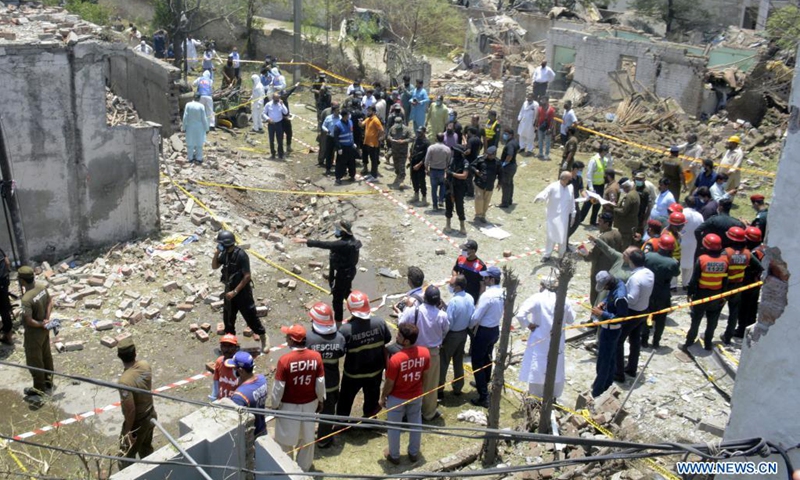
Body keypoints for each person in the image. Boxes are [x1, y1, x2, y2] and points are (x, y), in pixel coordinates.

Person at [271, 324, 324, 471]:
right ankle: (303, 470)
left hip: (288, 406)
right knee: (307, 439)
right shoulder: (316, 357)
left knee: (285, 440)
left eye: (287, 336)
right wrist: (320, 400)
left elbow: (278, 387)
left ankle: (286, 470)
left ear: (292, 340)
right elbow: (320, 383)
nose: (285, 338)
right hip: (310, 403)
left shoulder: (284, 360)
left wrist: (274, 406)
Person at [516, 276, 575, 399]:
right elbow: (571, 319)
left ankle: (535, 400)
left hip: (538, 341)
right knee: (555, 370)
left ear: (542, 286)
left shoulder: (537, 298)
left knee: (537, 370)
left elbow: (520, 315)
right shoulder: (564, 299)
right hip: (557, 342)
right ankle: (552, 398)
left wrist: (528, 325)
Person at [380, 322, 430, 465]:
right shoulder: (425, 353)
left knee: (394, 427)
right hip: (416, 395)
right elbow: (425, 376)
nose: (397, 336)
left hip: (397, 398)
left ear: (406, 341)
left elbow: (389, 383)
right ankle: (414, 453)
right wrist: (423, 392)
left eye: (400, 335)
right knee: (415, 424)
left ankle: (394, 455)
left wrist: (382, 397)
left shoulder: (396, 359)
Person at [294, 220, 362, 323]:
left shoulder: (342, 244)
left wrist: (305, 241)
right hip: (350, 272)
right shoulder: (353, 240)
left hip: (343, 275)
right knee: (347, 292)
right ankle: (357, 312)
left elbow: (324, 244)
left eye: (338, 229)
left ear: (343, 232)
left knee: (337, 299)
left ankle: (338, 322)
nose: (336, 231)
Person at [337, 291, 392, 419]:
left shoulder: (345, 330)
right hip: (375, 372)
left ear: (350, 309)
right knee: (372, 398)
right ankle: (370, 420)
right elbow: (387, 339)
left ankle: (340, 422)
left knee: (345, 400)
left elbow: (340, 351)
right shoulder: (380, 323)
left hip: (353, 374)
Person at [398, 285, 449, 421]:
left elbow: (401, 324)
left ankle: (407, 413)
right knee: (431, 385)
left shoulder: (413, 311)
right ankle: (429, 413)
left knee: (411, 382)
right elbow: (445, 331)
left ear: (424, 298)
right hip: (432, 353)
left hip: (415, 352)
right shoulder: (442, 316)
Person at [212, 230, 268, 352]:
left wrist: (235, 292)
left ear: (227, 244)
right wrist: (217, 253)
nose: (219, 245)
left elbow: (247, 276)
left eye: (221, 244)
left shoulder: (241, 255)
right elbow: (215, 266)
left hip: (242, 293)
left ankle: (263, 337)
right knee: (228, 319)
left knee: (250, 316)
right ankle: (231, 343)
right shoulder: (225, 254)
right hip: (229, 291)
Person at [681, 233, 729, 352]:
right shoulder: (725, 260)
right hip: (717, 295)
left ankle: (689, 343)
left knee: (696, 320)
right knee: (712, 321)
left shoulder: (702, 259)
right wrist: (724, 295)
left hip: (701, 295)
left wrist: (690, 293)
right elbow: (725, 280)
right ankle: (708, 344)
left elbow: (694, 279)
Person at [116, 337, 157, 470]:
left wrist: (127, 432)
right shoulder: (145, 365)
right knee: (146, 450)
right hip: (151, 416)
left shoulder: (124, 381)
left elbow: (130, 411)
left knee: (125, 458)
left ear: (119, 356)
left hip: (137, 424)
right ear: (135, 353)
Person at [469, 266, 504, 408]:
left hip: (483, 331)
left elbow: (476, 317)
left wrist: (470, 325)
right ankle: (483, 382)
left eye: (486, 278)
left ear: (492, 279)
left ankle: (483, 396)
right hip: (494, 329)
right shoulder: (503, 293)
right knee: (487, 358)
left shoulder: (487, 296)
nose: (484, 280)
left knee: (477, 361)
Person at [615, 249, 653, 380]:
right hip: (643, 310)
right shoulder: (649, 273)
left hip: (632, 312)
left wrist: (620, 297)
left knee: (618, 341)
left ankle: (618, 373)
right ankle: (632, 368)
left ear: (631, 261)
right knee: (635, 341)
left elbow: (632, 298)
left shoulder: (635, 278)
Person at [18, 267, 54, 403]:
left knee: (34, 360)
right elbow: (50, 301)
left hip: (34, 333)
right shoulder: (41, 288)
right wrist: (46, 319)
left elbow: (29, 320)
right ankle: (48, 380)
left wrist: (41, 324)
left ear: (22, 280)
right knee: (46, 356)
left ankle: (39, 389)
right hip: (45, 330)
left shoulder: (26, 299)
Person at [720, 227, 761, 345]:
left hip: (733, 286)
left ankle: (710, 337)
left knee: (719, 311)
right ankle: (732, 335)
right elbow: (760, 268)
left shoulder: (729, 252)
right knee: (739, 311)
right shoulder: (754, 252)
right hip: (744, 285)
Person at [591, 271, 628, 398]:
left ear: (608, 283)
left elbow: (621, 317)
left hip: (612, 330)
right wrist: (604, 303)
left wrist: (602, 314)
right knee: (611, 359)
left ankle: (598, 390)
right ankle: (607, 384)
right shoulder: (616, 284)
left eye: (605, 287)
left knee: (604, 361)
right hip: (608, 328)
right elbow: (610, 297)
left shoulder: (620, 296)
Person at [641, 235, 679, 349]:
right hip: (663, 293)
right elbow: (676, 274)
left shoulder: (648, 256)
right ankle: (656, 342)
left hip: (649, 291)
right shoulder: (673, 263)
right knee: (661, 319)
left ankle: (644, 340)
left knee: (647, 315)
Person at [440, 274, 474, 398]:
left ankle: (439, 389)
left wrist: (442, 338)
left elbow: (448, 322)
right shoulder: (470, 298)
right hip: (463, 334)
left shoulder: (454, 301)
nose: (450, 286)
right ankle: (458, 387)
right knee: (458, 361)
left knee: (443, 361)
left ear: (458, 287)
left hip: (452, 335)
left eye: (452, 284)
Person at [534, 171, 576, 262]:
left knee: (563, 238)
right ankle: (547, 254)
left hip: (564, 218)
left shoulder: (570, 188)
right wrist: (540, 197)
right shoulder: (553, 186)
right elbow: (545, 193)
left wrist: (573, 214)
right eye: (569, 179)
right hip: (553, 216)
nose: (571, 180)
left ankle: (561, 255)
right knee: (551, 236)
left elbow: (572, 201)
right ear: (564, 179)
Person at [734, 226, 765, 339]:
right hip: (756, 284)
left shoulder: (753, 253)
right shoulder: (762, 248)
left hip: (748, 283)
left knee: (743, 308)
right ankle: (749, 328)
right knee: (752, 308)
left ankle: (741, 330)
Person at [583, 146, 612, 226]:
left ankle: (592, 221)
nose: (606, 153)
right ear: (602, 151)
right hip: (593, 186)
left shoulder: (605, 160)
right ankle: (580, 219)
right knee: (588, 203)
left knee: (597, 204)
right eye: (606, 151)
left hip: (600, 186)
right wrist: (591, 188)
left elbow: (609, 169)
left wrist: (610, 159)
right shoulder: (594, 160)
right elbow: (589, 174)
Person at [471, 146, 502, 224]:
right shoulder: (480, 159)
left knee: (486, 201)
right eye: (488, 154)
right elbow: (471, 166)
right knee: (479, 199)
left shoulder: (497, 162)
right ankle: (478, 215)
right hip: (479, 183)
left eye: (491, 155)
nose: (489, 156)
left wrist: (499, 183)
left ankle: (483, 216)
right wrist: (476, 170)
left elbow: (501, 173)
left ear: (494, 154)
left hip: (489, 185)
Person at [451, 239, 487, 305]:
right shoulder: (460, 259)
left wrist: (479, 302)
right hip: (459, 293)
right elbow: (455, 269)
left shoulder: (481, 266)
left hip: (472, 297)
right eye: (463, 249)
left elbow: (482, 286)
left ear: (473, 251)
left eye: (465, 250)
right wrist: (455, 277)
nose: (463, 251)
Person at [680, 196, 705, 288]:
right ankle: (686, 283)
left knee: (677, 261)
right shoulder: (699, 215)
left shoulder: (682, 212)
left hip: (681, 239)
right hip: (693, 242)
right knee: (689, 263)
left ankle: (673, 285)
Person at [445, 144, 470, 234]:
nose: (454, 153)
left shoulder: (465, 162)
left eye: (456, 151)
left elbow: (464, 176)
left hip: (459, 187)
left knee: (459, 206)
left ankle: (462, 226)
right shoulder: (451, 160)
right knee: (448, 205)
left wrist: (452, 174)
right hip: (450, 185)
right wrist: (446, 175)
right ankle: (448, 224)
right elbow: (446, 170)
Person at [425, 133, 453, 210]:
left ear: (436, 139)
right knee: (443, 186)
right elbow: (449, 161)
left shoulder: (431, 148)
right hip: (442, 170)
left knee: (434, 188)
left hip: (433, 170)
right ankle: (441, 200)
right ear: (443, 139)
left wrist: (426, 169)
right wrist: (446, 169)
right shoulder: (447, 149)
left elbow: (426, 160)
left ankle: (434, 205)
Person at [209, 334, 239, 401]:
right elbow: (216, 382)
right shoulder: (219, 361)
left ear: (236, 348)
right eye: (224, 346)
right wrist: (213, 398)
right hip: (221, 402)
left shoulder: (240, 365)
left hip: (235, 403)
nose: (226, 349)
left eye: (230, 346)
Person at [182, 93, 210, 164]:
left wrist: (183, 127)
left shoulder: (188, 105)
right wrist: (206, 128)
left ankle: (190, 158)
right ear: (199, 98)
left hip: (190, 126)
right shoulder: (201, 106)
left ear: (193, 97)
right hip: (199, 127)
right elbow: (204, 118)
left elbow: (185, 117)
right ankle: (199, 158)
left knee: (190, 143)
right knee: (199, 143)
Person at [332, 110, 358, 185]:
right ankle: (338, 177)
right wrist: (339, 148)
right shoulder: (338, 125)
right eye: (347, 115)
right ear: (343, 116)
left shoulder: (350, 122)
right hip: (343, 147)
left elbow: (351, 133)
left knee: (352, 162)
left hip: (350, 146)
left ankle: (352, 175)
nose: (348, 116)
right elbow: (336, 138)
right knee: (341, 163)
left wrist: (353, 143)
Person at [613, 179, 640, 249]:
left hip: (626, 226)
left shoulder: (629, 196)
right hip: (632, 224)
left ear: (625, 187)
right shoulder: (635, 193)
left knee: (624, 245)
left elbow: (623, 211)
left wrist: (614, 209)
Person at [388, 117, 413, 189]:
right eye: (396, 123)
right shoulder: (392, 128)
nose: (397, 125)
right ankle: (398, 174)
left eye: (398, 123)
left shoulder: (407, 129)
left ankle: (401, 181)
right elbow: (389, 135)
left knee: (402, 166)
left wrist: (404, 141)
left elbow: (412, 138)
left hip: (403, 151)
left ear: (401, 123)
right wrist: (391, 139)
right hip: (394, 150)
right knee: (396, 166)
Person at [262, 93, 289, 160]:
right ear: (273, 98)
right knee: (271, 140)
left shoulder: (280, 104)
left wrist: (282, 105)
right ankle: (273, 154)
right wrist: (268, 119)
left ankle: (280, 154)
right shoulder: (268, 105)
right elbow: (263, 114)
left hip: (279, 124)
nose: (277, 100)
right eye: (276, 98)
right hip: (271, 124)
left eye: (278, 98)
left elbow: (286, 112)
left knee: (280, 139)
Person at [360, 105, 384, 178]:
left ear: (373, 112)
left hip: (373, 144)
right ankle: (367, 170)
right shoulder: (368, 119)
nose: (368, 112)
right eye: (368, 110)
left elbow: (381, 130)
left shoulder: (375, 120)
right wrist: (360, 122)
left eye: (369, 111)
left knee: (373, 160)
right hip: (366, 142)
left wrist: (379, 138)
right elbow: (361, 125)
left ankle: (374, 175)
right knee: (365, 156)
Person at [498, 127, 519, 208]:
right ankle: (509, 200)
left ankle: (505, 203)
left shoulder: (510, 144)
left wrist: (505, 163)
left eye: (506, 134)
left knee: (506, 184)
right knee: (510, 184)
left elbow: (510, 155)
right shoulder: (514, 142)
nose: (504, 135)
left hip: (508, 166)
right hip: (513, 166)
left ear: (511, 135)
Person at [410, 126, 430, 204]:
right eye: (418, 132)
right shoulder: (416, 140)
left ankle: (424, 198)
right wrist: (410, 154)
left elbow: (427, 156)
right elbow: (412, 148)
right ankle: (416, 194)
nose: (418, 134)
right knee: (414, 179)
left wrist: (420, 164)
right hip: (413, 162)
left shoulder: (426, 142)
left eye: (420, 132)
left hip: (421, 164)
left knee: (421, 181)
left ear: (424, 132)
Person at [278, 83, 300, 154]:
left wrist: (295, 86)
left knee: (289, 133)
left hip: (287, 119)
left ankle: (288, 146)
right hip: (281, 120)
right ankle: (280, 149)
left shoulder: (283, 98)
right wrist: (285, 117)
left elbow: (289, 92)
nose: (286, 95)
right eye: (284, 94)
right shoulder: (278, 102)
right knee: (281, 135)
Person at [567, 161, 586, 238]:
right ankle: (564, 241)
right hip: (568, 203)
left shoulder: (579, 178)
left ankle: (566, 237)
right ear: (574, 169)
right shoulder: (568, 178)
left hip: (576, 203)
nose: (581, 172)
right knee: (568, 223)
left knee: (577, 220)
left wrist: (586, 197)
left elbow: (581, 189)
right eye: (580, 170)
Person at [320, 104, 341, 173]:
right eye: (337, 110)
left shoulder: (341, 118)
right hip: (330, 137)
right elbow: (323, 126)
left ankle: (339, 168)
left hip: (339, 138)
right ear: (333, 111)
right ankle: (328, 168)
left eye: (339, 110)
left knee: (339, 153)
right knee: (329, 153)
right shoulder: (328, 118)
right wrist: (326, 130)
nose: (339, 112)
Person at [464, 126, 483, 198]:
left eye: (468, 132)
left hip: (469, 160)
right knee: (471, 176)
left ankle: (470, 192)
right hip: (475, 159)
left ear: (470, 132)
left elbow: (468, 151)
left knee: (468, 177)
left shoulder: (470, 140)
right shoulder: (478, 139)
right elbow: (480, 147)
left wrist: (463, 153)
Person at [0, 248, 11, 345]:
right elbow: (7, 262)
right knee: (5, 308)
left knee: (4, 310)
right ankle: (8, 334)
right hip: (4, 280)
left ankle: (7, 335)